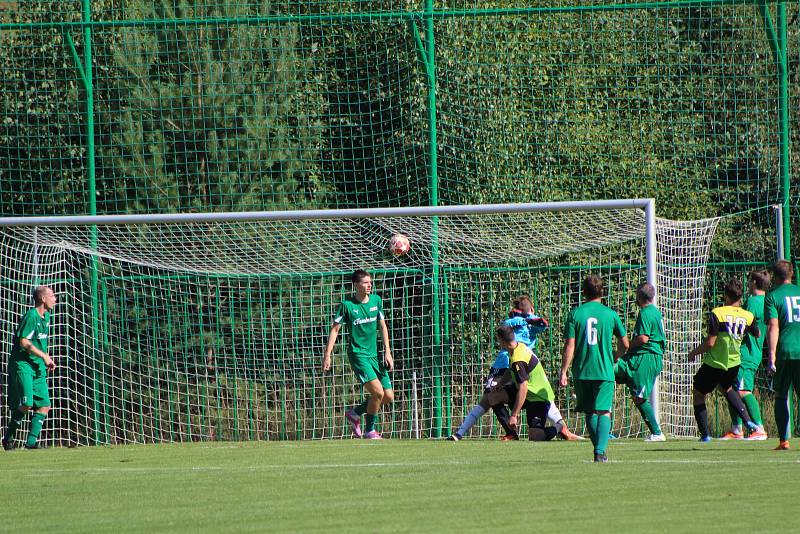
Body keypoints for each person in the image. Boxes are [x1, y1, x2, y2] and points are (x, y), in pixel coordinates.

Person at [447, 296, 581, 441]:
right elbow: (508, 324)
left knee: (490, 400)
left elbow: (543, 323)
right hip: (508, 369)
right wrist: (523, 318)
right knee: (492, 397)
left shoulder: (527, 333)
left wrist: (527, 318)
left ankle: (558, 428)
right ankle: (463, 433)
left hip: (515, 368)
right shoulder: (512, 324)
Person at [559, 275, 629, 462]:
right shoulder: (610, 314)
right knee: (604, 410)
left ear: (584, 292)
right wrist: (617, 355)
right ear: (603, 292)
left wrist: (564, 370)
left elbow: (569, 346)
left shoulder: (576, 314)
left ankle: (599, 451)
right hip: (604, 370)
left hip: (582, 370)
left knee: (590, 411)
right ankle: (599, 451)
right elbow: (625, 344)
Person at [687, 278, 764, 442]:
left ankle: (705, 435)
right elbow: (757, 333)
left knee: (698, 393)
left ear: (726, 296)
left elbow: (711, 342)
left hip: (715, 362)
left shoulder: (718, 313)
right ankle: (748, 421)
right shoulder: (747, 315)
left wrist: (694, 352)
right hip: (734, 363)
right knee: (727, 388)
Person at [322, 269, 394, 440]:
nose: (370, 285)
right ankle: (370, 431)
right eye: (365, 282)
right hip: (358, 355)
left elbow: (383, 326)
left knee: (388, 396)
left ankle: (355, 414)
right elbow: (335, 330)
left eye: (370, 282)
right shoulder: (347, 305)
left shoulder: (376, 301)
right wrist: (327, 354)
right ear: (356, 285)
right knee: (377, 393)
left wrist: (388, 351)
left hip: (374, 355)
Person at [2, 285, 57, 451]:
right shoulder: (31, 316)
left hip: (38, 366)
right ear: (43, 298)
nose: (55, 299)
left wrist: (47, 360)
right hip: (23, 365)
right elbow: (24, 342)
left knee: (44, 405)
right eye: (52, 296)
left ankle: (31, 443)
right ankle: (8, 437)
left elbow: (40, 342)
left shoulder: (46, 317)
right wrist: (44, 356)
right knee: (27, 404)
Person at [614, 282, 667, 442]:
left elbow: (643, 338)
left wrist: (628, 345)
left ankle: (657, 433)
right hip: (644, 358)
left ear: (639, 296)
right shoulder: (655, 312)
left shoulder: (645, 313)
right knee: (610, 368)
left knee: (639, 397)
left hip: (646, 358)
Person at [721, 270, 770, 440]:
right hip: (752, 353)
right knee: (731, 389)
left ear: (755, 283)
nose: (748, 284)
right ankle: (736, 429)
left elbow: (744, 324)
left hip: (746, 353)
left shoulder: (753, 302)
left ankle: (759, 427)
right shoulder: (768, 301)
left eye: (750, 281)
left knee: (742, 391)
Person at [494, 325, 561, 441]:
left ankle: (559, 428)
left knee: (535, 436)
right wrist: (500, 384)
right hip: (527, 393)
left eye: (498, 339)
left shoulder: (518, 359)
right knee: (492, 398)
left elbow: (523, 388)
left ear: (502, 340)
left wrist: (514, 415)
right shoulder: (517, 347)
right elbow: (511, 370)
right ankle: (511, 433)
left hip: (538, 397)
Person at [764, 260, 800, 451]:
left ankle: (784, 440)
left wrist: (771, 356)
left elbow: (773, 326)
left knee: (780, 395)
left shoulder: (773, 297)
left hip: (785, 351)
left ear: (775, 276)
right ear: (792, 273)